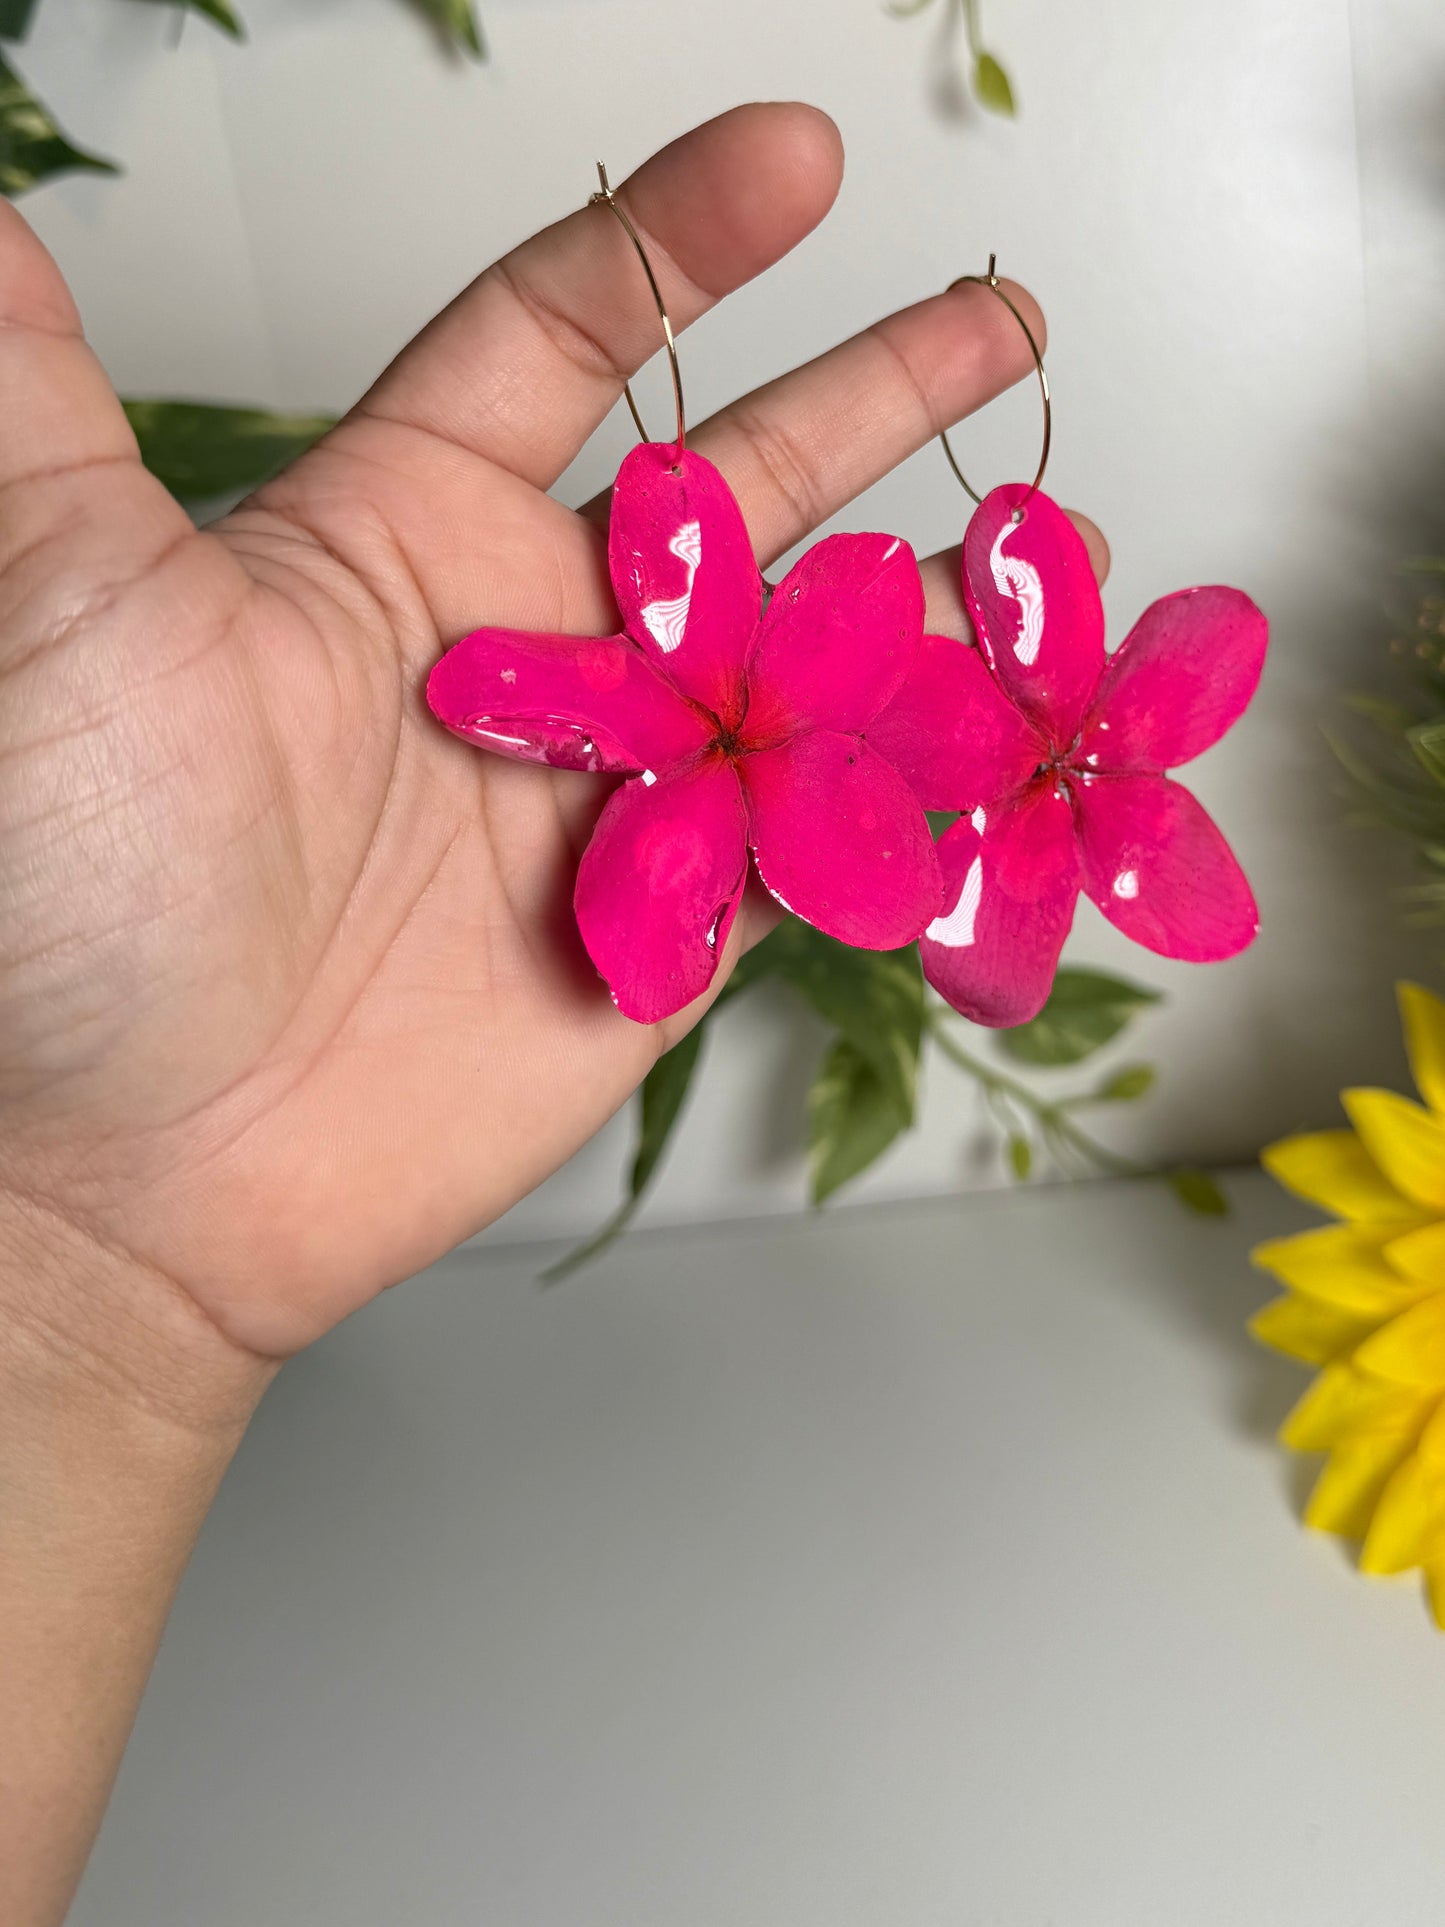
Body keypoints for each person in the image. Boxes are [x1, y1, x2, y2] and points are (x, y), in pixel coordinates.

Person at [0, 101, 1106, 1925]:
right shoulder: (640, 640)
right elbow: (534, 676)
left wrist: (78, 1285)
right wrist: (67, 1253)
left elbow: (836, 669)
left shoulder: (820, 677)